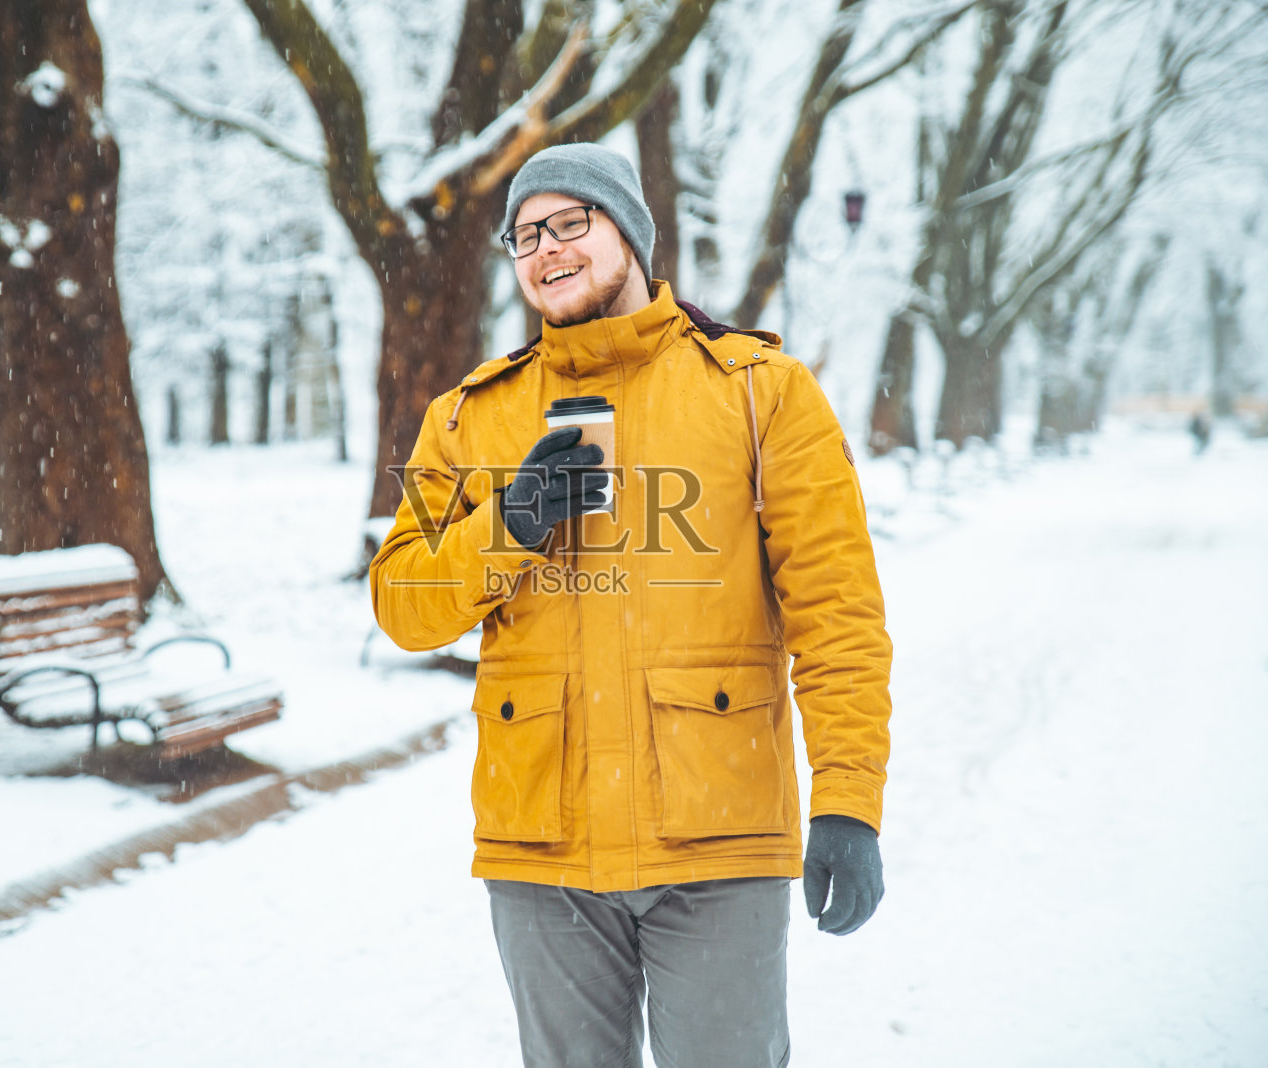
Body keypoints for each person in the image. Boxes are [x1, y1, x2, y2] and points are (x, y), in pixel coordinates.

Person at [369, 143, 892, 1068]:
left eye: (572, 221)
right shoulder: (468, 418)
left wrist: (847, 802)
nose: (546, 247)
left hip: (718, 845)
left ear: (632, 235)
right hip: (543, 851)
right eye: (526, 233)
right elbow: (402, 605)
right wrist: (509, 523)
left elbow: (837, 616)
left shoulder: (759, 393)